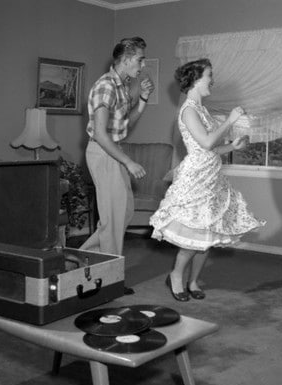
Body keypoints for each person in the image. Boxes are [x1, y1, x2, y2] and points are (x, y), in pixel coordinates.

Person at [149, 58, 265, 302]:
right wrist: (230, 121)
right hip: (196, 179)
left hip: (212, 177)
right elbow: (206, 142)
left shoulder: (202, 110)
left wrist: (232, 145)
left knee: (208, 236)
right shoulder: (189, 110)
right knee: (193, 238)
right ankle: (176, 276)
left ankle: (193, 281)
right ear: (195, 79)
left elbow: (212, 149)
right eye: (209, 75)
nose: (212, 79)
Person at [80, 37, 154, 295]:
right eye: (140, 59)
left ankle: (79, 261)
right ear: (125, 58)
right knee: (112, 220)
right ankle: (110, 281)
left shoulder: (122, 85)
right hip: (103, 152)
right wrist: (128, 161)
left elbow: (124, 125)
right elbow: (101, 134)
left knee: (121, 213)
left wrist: (143, 99)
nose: (142, 65)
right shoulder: (105, 86)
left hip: (114, 150)